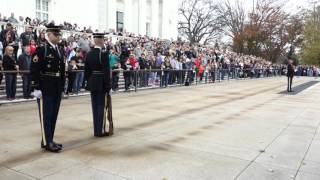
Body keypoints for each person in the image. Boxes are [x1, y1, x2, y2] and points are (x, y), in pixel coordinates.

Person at [30, 24, 65, 153]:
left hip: (56, 86)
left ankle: (49, 139)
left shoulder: (59, 50)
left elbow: (61, 70)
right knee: (46, 115)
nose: (58, 37)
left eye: (59, 35)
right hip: (45, 87)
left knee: (53, 115)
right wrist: (36, 87)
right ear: (49, 34)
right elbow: (34, 69)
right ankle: (47, 141)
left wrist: (62, 87)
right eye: (56, 35)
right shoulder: (41, 49)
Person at [84, 33, 112, 137]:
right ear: (100, 41)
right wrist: (108, 86)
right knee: (101, 107)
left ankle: (96, 130)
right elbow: (106, 72)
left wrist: (90, 80)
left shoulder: (89, 54)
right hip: (101, 84)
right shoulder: (103, 54)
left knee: (94, 107)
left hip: (92, 82)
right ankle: (100, 130)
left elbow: (86, 71)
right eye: (103, 39)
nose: (104, 41)